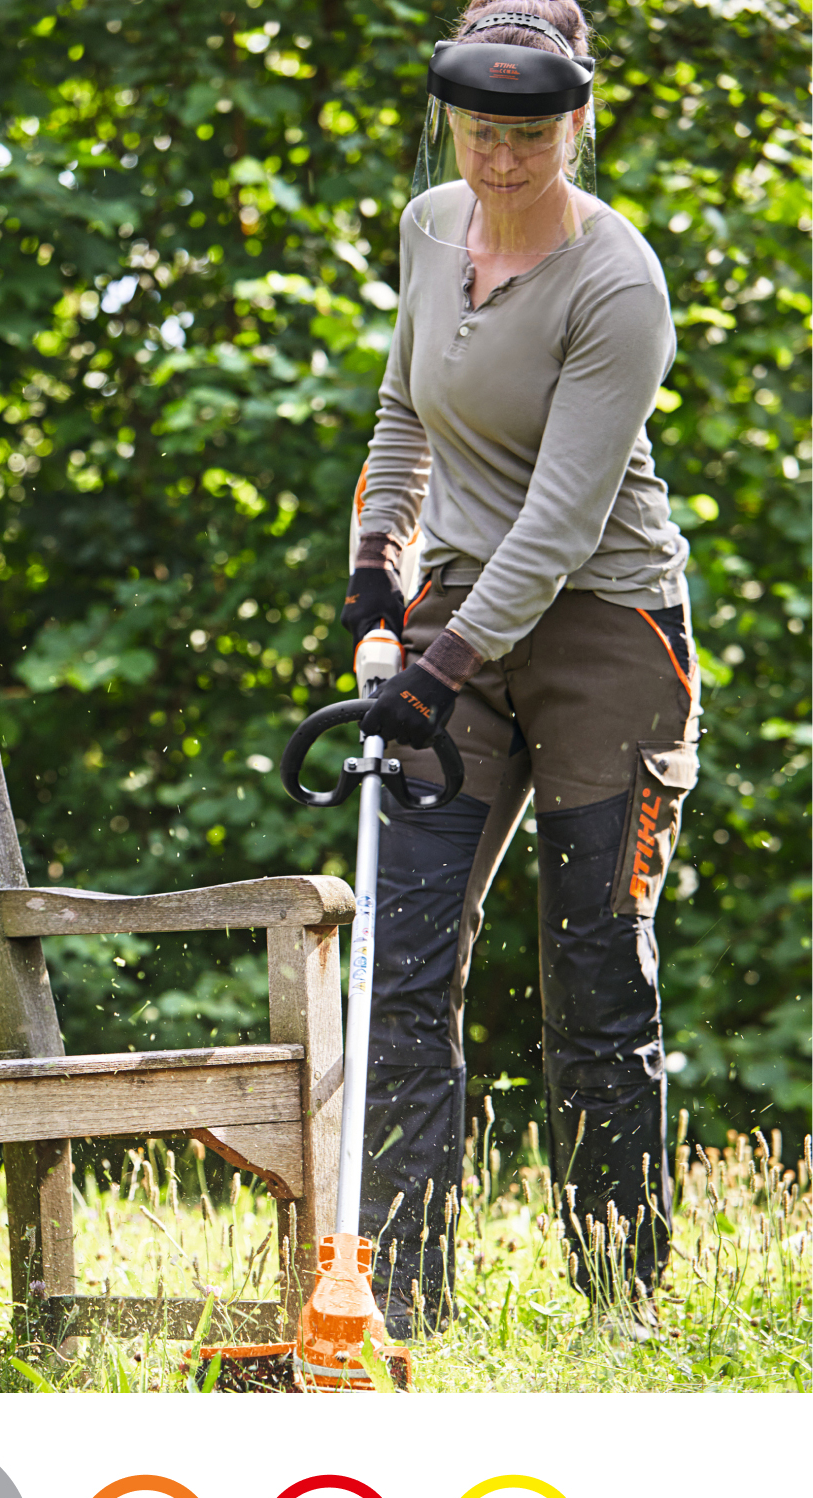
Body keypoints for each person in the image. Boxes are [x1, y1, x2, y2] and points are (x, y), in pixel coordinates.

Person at [339, 0, 699, 1338]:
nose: (501, 157)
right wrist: (376, 570)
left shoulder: (617, 284)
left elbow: (555, 526)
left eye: (529, 134)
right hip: (454, 621)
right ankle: (396, 1299)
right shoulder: (431, 226)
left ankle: (618, 1298)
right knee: (401, 953)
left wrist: (436, 665)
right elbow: (399, 407)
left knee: (593, 961)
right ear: (451, 116)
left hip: (605, 629)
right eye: (482, 130)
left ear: (573, 121)